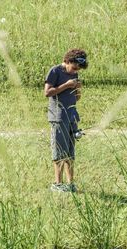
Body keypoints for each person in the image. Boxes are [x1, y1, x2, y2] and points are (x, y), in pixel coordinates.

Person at [44, 48, 88, 192]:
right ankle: (57, 184)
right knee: (59, 151)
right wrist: (67, 85)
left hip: (72, 116)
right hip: (58, 116)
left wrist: (77, 89)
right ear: (67, 61)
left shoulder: (74, 73)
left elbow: (77, 98)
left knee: (70, 151)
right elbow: (47, 92)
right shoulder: (55, 71)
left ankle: (70, 184)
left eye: (78, 69)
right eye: (74, 68)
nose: (75, 71)